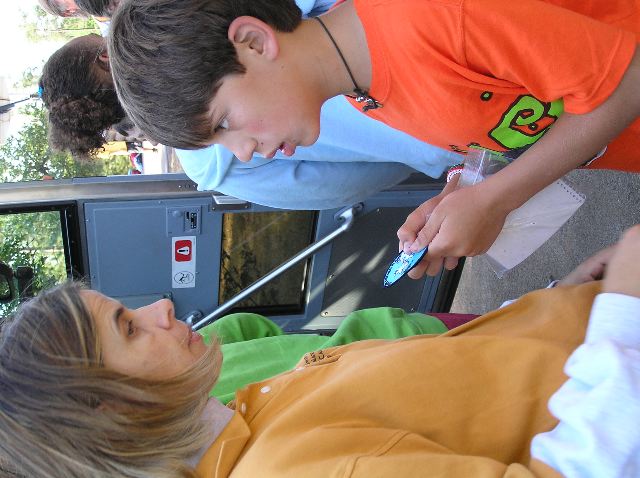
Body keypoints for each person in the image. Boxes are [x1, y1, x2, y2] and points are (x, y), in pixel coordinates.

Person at [2, 226, 639, 477]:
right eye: (128, 327)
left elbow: (465, 386)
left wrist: (554, 302)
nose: (161, 308)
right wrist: (623, 314)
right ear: (112, 410)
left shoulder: (249, 414)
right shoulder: (290, 468)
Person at [108, 0, 640, 278]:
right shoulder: (365, 92)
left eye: (224, 123)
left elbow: (627, 79)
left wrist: (498, 199)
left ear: (253, 41)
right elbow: (499, 114)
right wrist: (465, 189)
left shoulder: (430, 19)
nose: (243, 152)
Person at [39, 33, 456, 209]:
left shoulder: (206, 164)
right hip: (424, 62)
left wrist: (409, 153)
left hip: (431, 136)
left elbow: (332, 188)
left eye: (224, 122)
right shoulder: (192, 26)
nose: (244, 147)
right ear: (105, 56)